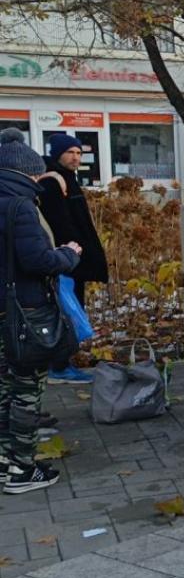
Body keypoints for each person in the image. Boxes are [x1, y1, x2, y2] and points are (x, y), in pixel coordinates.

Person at [0, 129, 81, 494]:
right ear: (25, 174)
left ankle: (4, 460)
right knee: (26, 389)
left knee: (4, 387)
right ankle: (21, 468)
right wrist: (68, 255)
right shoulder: (20, 207)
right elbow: (37, 260)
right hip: (24, 313)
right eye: (35, 176)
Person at [35, 133, 107, 385]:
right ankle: (60, 366)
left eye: (79, 153)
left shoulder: (67, 179)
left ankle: (63, 363)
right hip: (67, 259)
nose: (76, 157)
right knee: (67, 311)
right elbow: (61, 224)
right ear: (58, 154)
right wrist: (72, 254)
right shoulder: (54, 182)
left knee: (72, 309)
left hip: (74, 257)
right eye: (70, 153)